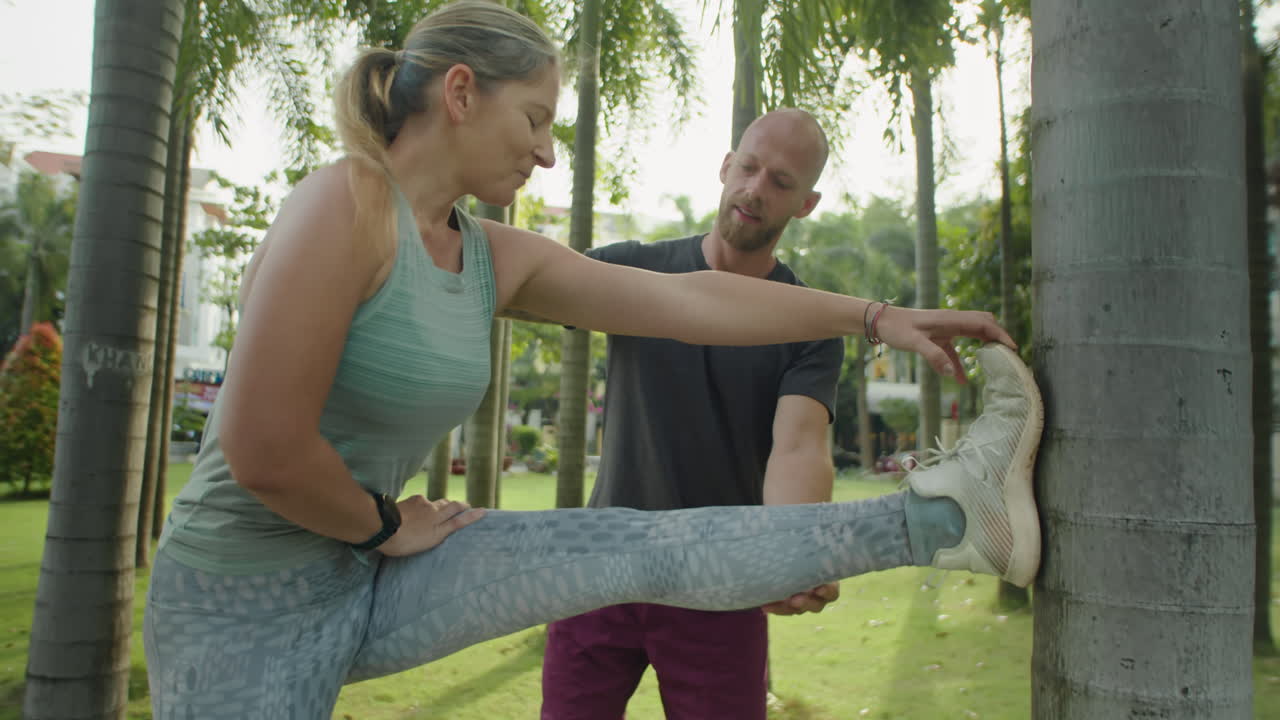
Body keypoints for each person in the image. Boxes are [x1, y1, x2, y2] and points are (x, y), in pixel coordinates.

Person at [142, 2, 1043, 718]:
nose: (544, 151)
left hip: (365, 572)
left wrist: (877, 317)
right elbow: (261, 446)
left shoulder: (489, 254)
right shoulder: (342, 204)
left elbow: (695, 300)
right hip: (238, 600)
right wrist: (382, 525)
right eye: (534, 119)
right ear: (461, 93)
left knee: (642, 545)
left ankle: (954, 516)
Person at [541, 109, 847, 720]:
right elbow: (522, 283)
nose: (756, 189)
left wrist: (795, 550)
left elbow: (799, 446)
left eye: (781, 182)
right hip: (599, 565)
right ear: (726, 166)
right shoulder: (632, 269)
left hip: (721, 583)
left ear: (805, 205)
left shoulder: (809, 323)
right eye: (749, 167)